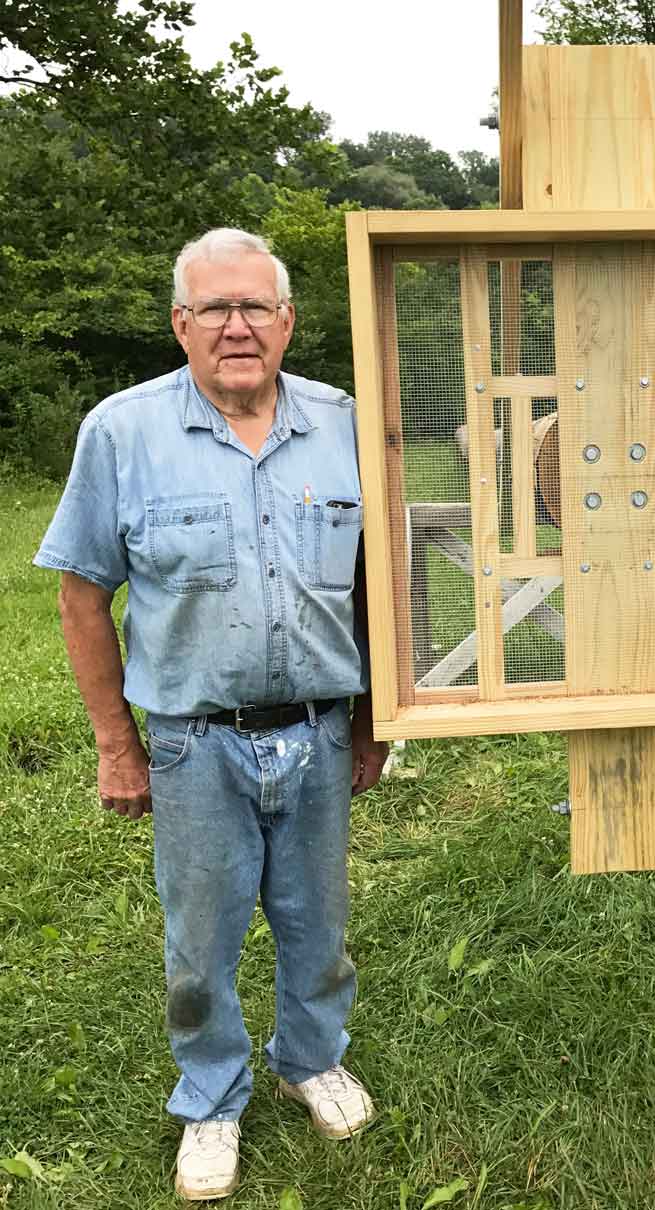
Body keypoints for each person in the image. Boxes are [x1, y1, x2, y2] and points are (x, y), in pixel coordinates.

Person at [34, 228, 390, 1199]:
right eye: (216, 309)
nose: (238, 326)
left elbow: (378, 581)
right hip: (194, 743)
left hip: (318, 729)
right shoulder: (122, 431)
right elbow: (80, 597)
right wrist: (118, 746)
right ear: (182, 324)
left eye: (256, 307)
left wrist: (373, 720)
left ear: (288, 321)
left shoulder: (344, 421)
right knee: (201, 941)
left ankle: (309, 1056)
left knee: (317, 922)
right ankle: (211, 1093)